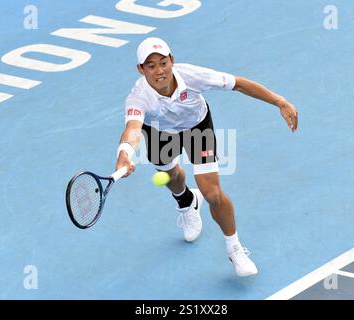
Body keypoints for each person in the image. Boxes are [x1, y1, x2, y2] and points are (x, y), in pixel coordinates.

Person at [115, 37, 298, 277]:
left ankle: (234, 249)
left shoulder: (192, 76)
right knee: (171, 176)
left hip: (196, 127)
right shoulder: (138, 97)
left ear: (172, 61)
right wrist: (124, 154)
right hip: (160, 131)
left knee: (212, 193)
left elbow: (239, 84)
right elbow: (132, 129)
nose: (159, 71)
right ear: (141, 69)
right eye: (151, 66)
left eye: (163, 62)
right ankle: (187, 201)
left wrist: (279, 101)